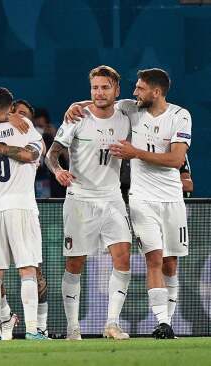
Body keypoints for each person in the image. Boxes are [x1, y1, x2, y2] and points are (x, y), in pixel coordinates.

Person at [65, 68, 191, 339]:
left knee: (171, 264)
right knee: (154, 259)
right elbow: (101, 102)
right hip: (141, 199)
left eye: (141, 88)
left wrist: (136, 153)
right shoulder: (130, 109)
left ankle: (164, 321)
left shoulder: (180, 115)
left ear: (155, 92)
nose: (135, 92)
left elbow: (176, 160)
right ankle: (163, 323)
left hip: (172, 199)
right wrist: (75, 106)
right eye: (134, 88)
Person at [47, 66, 132, 340]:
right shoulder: (77, 118)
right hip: (80, 199)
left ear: (116, 90)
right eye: (95, 87)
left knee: (123, 258)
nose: (99, 92)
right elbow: (52, 153)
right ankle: (73, 327)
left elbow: (149, 103)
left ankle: (112, 323)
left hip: (112, 198)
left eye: (105, 87)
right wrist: (58, 170)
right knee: (75, 263)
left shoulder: (127, 115)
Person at [0, 87, 48, 341]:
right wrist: (2, 146)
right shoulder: (23, 124)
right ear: (12, 107)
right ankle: (30, 329)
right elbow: (30, 155)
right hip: (21, 206)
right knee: (27, 269)